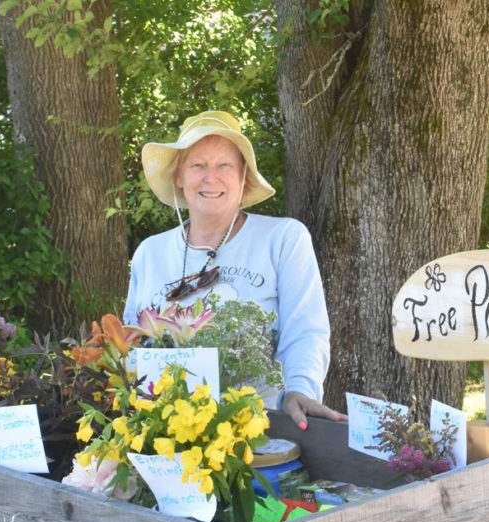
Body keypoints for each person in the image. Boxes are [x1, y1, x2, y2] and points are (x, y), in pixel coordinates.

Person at [123, 110, 346, 429]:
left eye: (223, 165)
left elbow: (305, 331)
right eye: (197, 165)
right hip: (165, 431)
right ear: (179, 177)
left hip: (260, 432)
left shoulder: (283, 239)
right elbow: (131, 343)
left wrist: (300, 389)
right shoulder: (150, 253)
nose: (210, 178)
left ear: (244, 177)